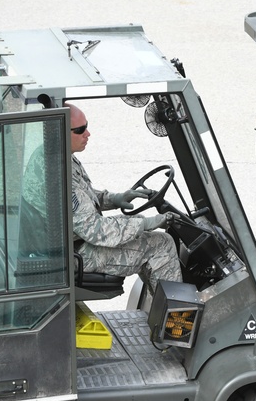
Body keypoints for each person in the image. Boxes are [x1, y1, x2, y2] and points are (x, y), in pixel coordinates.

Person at [65, 102, 182, 293]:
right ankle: (177, 321)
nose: (88, 134)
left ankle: (159, 312)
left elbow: (83, 198)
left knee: (142, 235)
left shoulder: (61, 157)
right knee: (162, 244)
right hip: (77, 254)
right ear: (60, 131)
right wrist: (146, 223)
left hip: (72, 244)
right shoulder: (59, 172)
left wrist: (116, 198)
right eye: (80, 130)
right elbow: (96, 230)